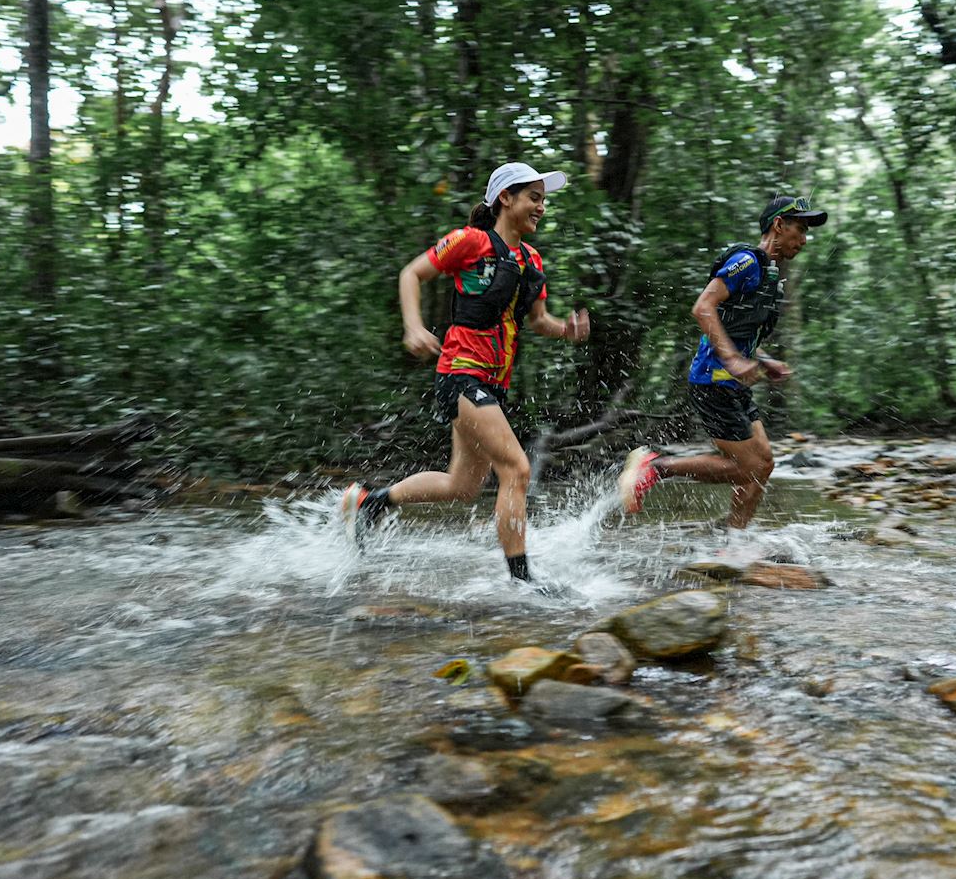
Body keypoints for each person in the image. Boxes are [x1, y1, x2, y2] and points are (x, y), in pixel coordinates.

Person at [340, 162, 590, 585]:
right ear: (504, 199)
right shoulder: (470, 241)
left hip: (492, 382)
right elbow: (411, 274)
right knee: (517, 469)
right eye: (534, 197)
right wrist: (414, 327)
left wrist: (567, 331)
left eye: (544, 200)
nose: (541, 207)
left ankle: (372, 502)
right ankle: (522, 580)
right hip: (461, 374)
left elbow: (538, 320)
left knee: (462, 485)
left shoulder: (531, 260)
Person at [617, 194, 826, 529]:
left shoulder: (769, 276)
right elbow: (703, 307)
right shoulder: (746, 261)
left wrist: (763, 359)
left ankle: (733, 536)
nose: (803, 240)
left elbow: (736, 330)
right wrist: (732, 359)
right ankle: (655, 467)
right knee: (746, 467)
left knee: (765, 464)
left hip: (732, 383)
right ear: (778, 225)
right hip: (713, 381)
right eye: (799, 229)